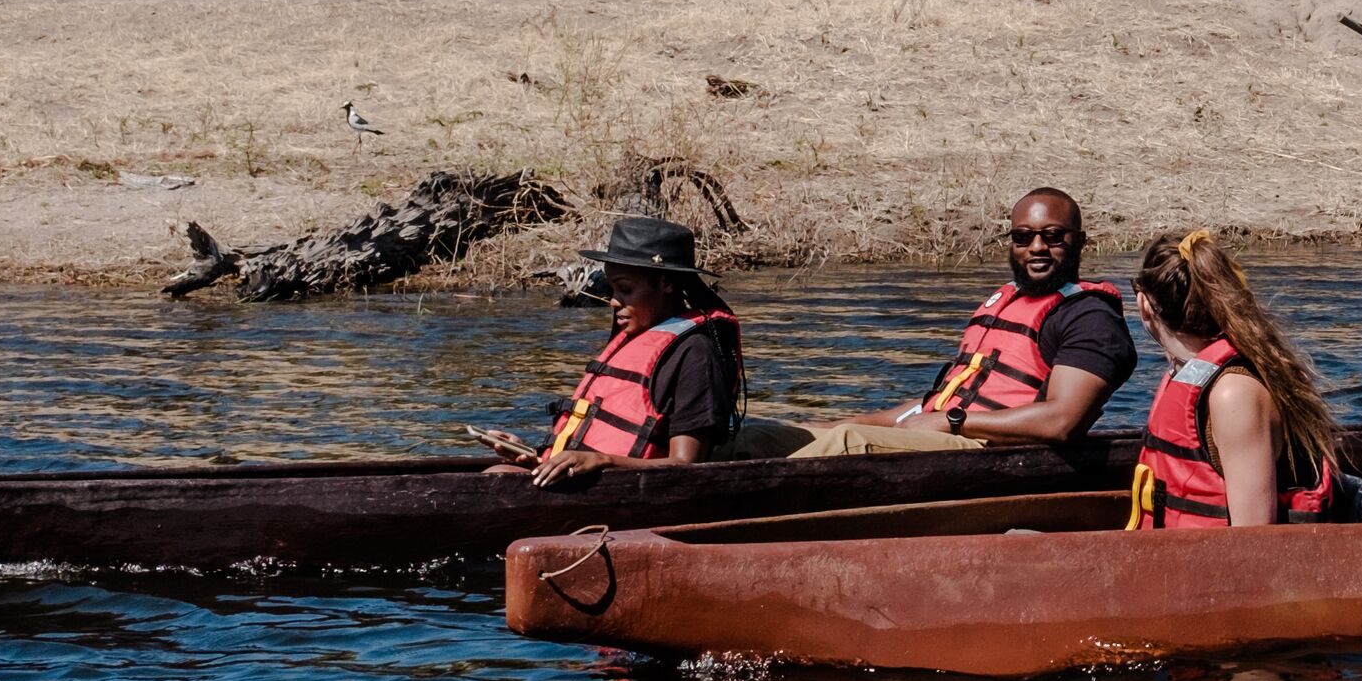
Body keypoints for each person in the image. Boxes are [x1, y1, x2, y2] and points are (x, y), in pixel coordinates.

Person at [796, 187, 1137, 458]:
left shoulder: (1089, 317)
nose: (1036, 247)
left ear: (1080, 241)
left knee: (845, 442)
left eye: (1053, 236)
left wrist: (950, 422)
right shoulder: (1002, 302)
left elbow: (1062, 421)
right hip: (943, 434)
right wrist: (838, 421)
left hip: (982, 452)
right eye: (1023, 237)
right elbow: (934, 405)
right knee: (774, 435)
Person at [482, 215, 747, 484]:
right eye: (612, 289)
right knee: (498, 476)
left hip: (638, 496)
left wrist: (602, 460)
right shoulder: (635, 338)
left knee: (495, 480)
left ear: (666, 284)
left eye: (625, 289)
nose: (613, 302)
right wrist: (532, 457)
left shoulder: (695, 354)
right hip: (591, 485)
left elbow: (686, 464)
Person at [1125, 230, 1345, 529]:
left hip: (1225, 571)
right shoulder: (1190, 376)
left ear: (1144, 305)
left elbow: (1254, 539)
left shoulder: (1234, 393)